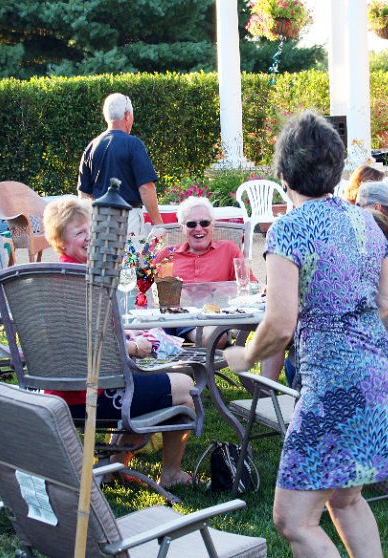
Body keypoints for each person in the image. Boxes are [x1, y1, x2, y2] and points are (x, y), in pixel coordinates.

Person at [224, 111, 388, 558]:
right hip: (380, 371)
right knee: (346, 498)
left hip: (336, 384)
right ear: (335, 168)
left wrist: (246, 356)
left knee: (293, 520)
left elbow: (278, 325)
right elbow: (386, 303)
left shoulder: (290, 228)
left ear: (284, 171)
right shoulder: (365, 221)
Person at [43, 197, 196, 487]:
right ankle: (170, 474)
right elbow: (90, 346)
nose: (89, 237)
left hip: (60, 389)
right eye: (79, 233)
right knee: (185, 387)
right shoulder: (83, 280)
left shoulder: (56, 276)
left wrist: (122, 337)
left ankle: (113, 466)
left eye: (91, 229)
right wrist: (136, 347)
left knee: (157, 384)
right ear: (61, 242)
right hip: (87, 394)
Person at [153, 196, 256, 346]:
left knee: (215, 335)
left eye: (205, 223)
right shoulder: (166, 254)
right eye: (191, 224)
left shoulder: (229, 250)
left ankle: (171, 344)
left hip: (211, 320)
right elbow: (144, 291)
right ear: (182, 228)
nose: (198, 228)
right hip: (169, 320)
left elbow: (249, 286)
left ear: (212, 225)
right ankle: (167, 344)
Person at [77, 93, 163, 238]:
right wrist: (159, 223)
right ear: (127, 115)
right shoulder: (133, 144)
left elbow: (84, 194)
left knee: (104, 260)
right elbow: (146, 187)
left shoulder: (91, 147)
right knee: (131, 260)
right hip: (128, 218)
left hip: (99, 219)